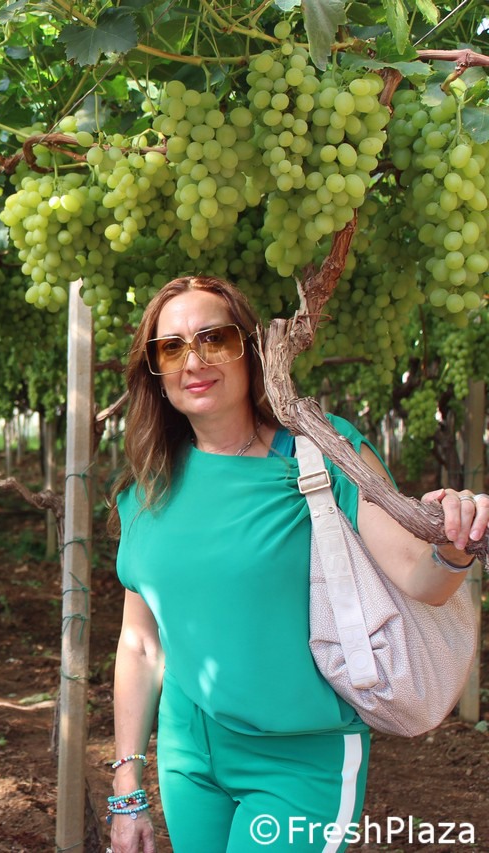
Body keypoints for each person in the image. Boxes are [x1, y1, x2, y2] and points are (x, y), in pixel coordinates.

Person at [107, 275, 487, 853]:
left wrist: (455, 541)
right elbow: (140, 643)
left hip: (302, 761)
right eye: (172, 347)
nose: (195, 361)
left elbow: (422, 577)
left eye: (214, 338)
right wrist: (128, 785)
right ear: (154, 371)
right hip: (187, 758)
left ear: (252, 349)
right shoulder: (147, 487)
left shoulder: (320, 451)